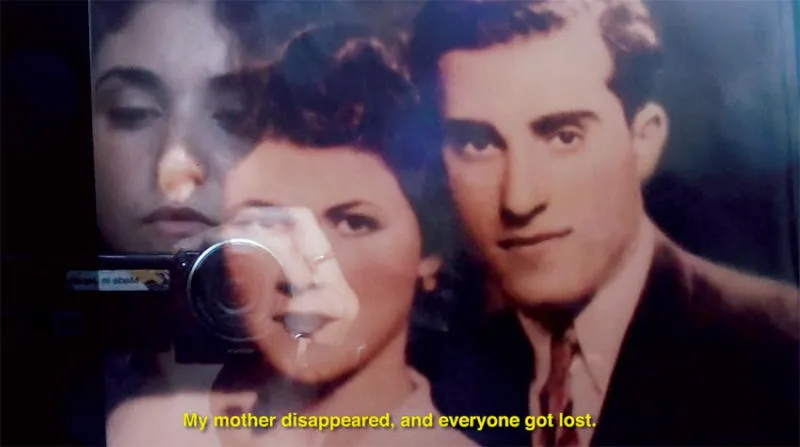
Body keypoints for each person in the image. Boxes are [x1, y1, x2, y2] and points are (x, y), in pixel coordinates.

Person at [407, 1, 800, 446]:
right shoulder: (438, 382)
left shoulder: (781, 348)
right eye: (478, 144)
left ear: (643, 140)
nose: (519, 199)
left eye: (564, 137)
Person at [109, 22, 476, 447]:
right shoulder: (146, 431)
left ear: (430, 250)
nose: (299, 272)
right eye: (266, 224)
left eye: (353, 223)